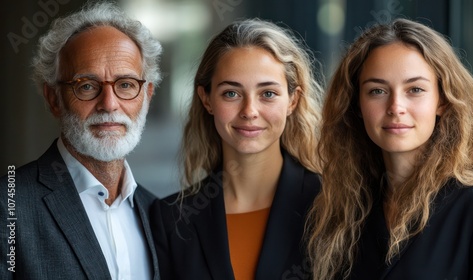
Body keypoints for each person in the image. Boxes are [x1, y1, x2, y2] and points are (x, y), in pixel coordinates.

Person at [306, 18, 473, 280]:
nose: (396, 107)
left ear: (442, 101)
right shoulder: (343, 212)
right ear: (357, 105)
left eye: (415, 89)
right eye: (377, 91)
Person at [150, 18, 323, 280]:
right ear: (206, 99)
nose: (249, 112)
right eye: (231, 93)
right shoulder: (171, 219)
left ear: (293, 100)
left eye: (268, 94)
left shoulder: (331, 206)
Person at [0, 2, 162, 279]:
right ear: (54, 99)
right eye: (86, 86)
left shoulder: (160, 215)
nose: (109, 104)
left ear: (146, 95)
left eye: (125, 85)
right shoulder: (9, 206)